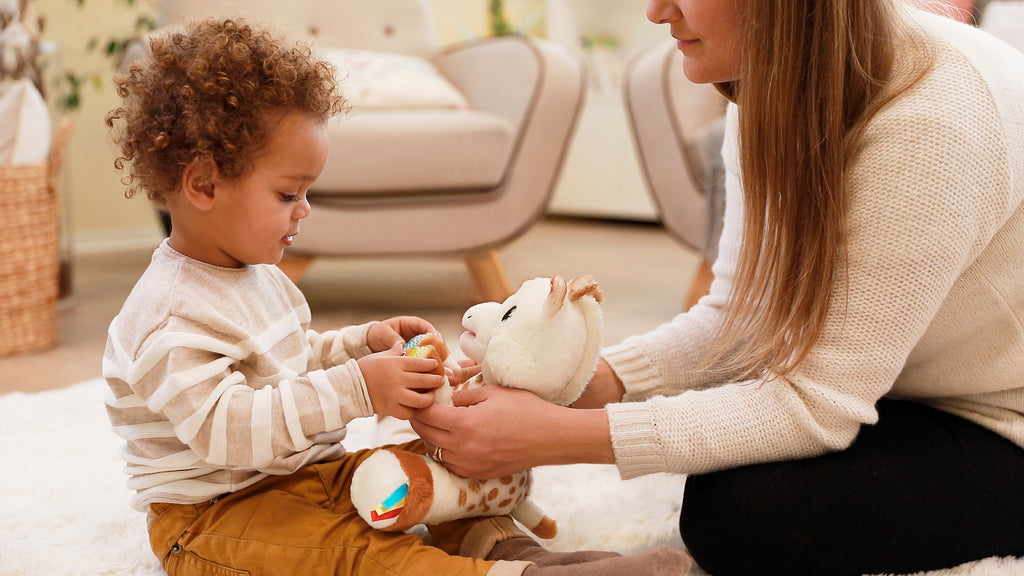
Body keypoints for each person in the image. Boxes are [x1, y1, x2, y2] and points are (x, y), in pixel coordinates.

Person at [410, 1, 1024, 575]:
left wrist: (555, 436)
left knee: (742, 514)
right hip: (906, 388)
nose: (655, 10)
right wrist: (587, 381)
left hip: (1003, 419)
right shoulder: (773, 80)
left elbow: (818, 404)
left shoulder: (932, 123)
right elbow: (742, 316)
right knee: (728, 461)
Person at [102, 17, 691, 576]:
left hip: (314, 474)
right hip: (217, 518)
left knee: (432, 469)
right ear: (204, 183)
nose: (304, 210)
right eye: (288, 194)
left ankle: (504, 546)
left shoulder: (255, 273)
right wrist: (361, 386)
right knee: (354, 555)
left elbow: (290, 361)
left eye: (307, 192)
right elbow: (227, 429)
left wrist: (363, 345)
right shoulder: (168, 315)